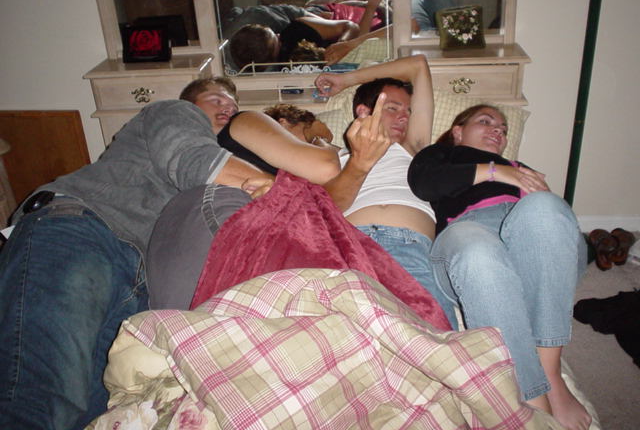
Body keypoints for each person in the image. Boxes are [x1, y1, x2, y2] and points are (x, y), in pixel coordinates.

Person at [0, 77, 276, 430]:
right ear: (192, 102)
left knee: (88, 415)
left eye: (233, 104)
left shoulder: (225, 166)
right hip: (83, 229)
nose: (229, 107)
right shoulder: (175, 112)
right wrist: (281, 189)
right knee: (40, 398)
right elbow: (196, 162)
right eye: (216, 99)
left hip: (138, 281)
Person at [407, 104, 592, 430]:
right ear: (458, 132)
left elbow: (558, 236)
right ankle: (529, 393)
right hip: (468, 231)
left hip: (530, 242)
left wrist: (533, 194)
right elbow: (425, 184)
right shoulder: (443, 155)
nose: (498, 131)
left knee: (545, 205)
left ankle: (550, 373)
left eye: (504, 129)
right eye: (486, 121)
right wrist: (497, 172)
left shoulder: (522, 168)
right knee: (475, 247)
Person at [146, 97, 340, 310]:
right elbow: (326, 168)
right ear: (282, 123)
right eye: (305, 136)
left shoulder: (283, 179)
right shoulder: (247, 120)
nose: (309, 146)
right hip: (222, 211)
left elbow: (328, 203)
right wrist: (319, 136)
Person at [313, 55, 458, 329]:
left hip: (409, 249)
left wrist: (345, 80)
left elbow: (418, 66)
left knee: (436, 338)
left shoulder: (412, 149)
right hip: (351, 249)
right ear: (363, 111)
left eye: (408, 111)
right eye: (392, 108)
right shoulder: (332, 159)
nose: (404, 116)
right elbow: (325, 208)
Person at [229, 0, 386, 70]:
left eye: (275, 33)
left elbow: (350, 27)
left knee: (376, 23)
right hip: (332, 33)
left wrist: (342, 45)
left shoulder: (296, 29)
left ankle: (359, 2)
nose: (279, 34)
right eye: (275, 39)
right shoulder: (278, 71)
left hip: (337, 22)